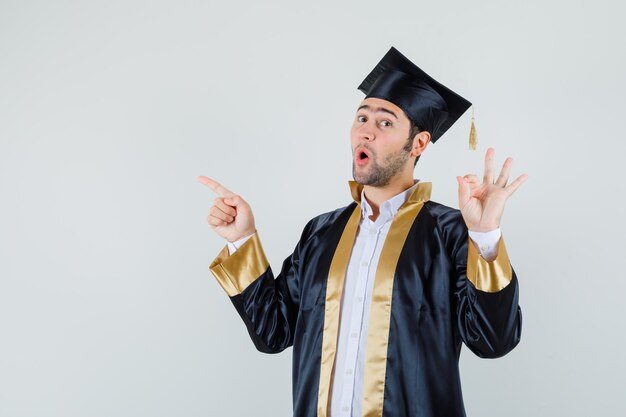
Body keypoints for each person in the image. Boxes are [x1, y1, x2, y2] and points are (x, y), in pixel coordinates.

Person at [198, 47, 527, 417]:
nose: (365, 132)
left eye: (385, 123)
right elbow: (272, 332)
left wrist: (484, 237)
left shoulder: (449, 232)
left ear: (418, 143)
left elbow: (493, 341)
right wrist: (243, 239)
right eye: (361, 118)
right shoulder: (321, 233)